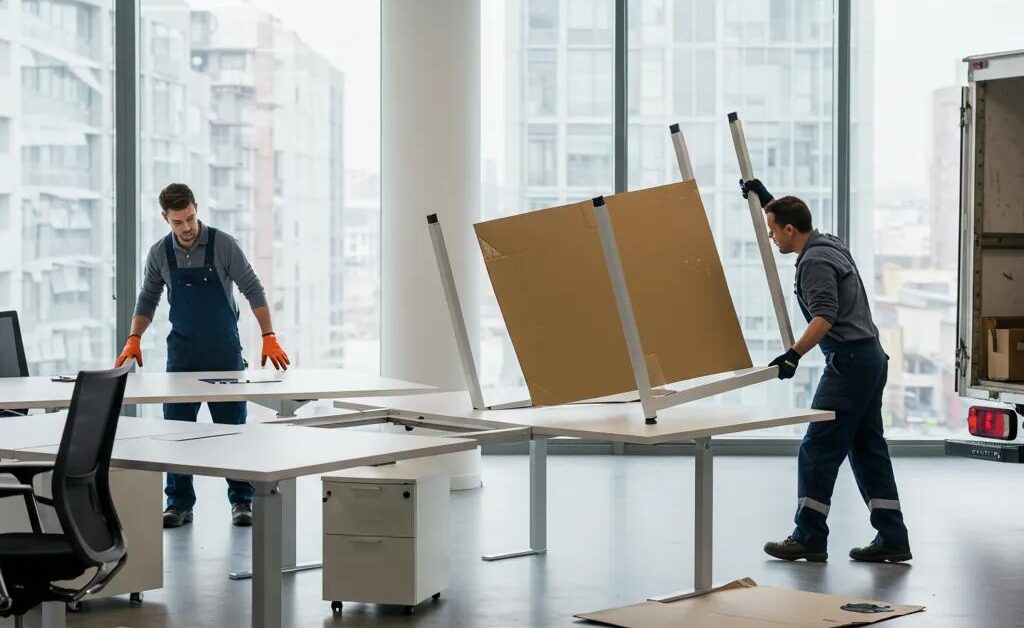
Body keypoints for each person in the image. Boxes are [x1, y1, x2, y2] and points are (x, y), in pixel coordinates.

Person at [739, 178, 911, 563]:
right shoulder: (828, 242)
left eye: (773, 231)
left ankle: (809, 536)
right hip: (870, 358)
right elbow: (792, 221)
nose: (771, 239)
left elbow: (824, 317)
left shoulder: (814, 261)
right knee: (867, 450)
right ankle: (893, 537)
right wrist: (769, 201)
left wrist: (793, 355)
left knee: (816, 448)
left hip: (849, 363)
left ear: (789, 229)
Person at [114, 183, 290, 528]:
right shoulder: (159, 254)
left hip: (224, 352)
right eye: (178, 222)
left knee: (232, 429)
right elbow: (148, 298)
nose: (187, 227)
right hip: (182, 354)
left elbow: (252, 287)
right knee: (178, 431)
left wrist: (268, 335)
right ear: (166, 218)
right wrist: (133, 337)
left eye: (191, 218)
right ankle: (178, 504)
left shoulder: (223, 245)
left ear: (196, 208)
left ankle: (242, 501)